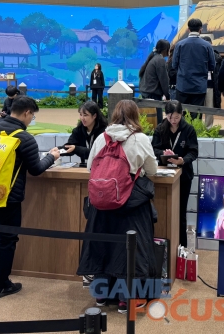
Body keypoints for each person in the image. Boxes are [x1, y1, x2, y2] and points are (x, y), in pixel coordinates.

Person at [0, 96, 60, 299]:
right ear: (27, 112)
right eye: (32, 115)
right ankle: (1, 285)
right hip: (8, 197)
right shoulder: (24, 138)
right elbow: (36, 169)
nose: (31, 119)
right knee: (7, 240)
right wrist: (52, 157)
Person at [77, 100, 157, 314]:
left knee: (102, 245)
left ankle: (101, 295)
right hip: (130, 203)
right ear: (135, 115)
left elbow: (90, 167)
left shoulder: (102, 137)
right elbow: (152, 169)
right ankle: (126, 300)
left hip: (100, 203)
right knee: (130, 250)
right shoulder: (139, 138)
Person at [151, 100, 198, 247]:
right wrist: (163, 153)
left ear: (181, 114)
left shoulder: (189, 130)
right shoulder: (160, 129)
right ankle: (164, 244)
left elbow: (193, 152)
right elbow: (153, 149)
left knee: (181, 212)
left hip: (183, 176)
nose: (173, 120)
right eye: (170, 117)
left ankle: (182, 246)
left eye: (176, 117)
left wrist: (182, 160)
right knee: (164, 210)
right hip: (164, 174)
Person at [172, 18, 215, 113]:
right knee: (196, 115)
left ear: (188, 29)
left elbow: (174, 65)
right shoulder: (207, 46)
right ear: (201, 30)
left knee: (181, 114)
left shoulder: (179, 44)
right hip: (199, 86)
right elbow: (212, 66)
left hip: (183, 85)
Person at [64, 101, 108, 166]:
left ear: (94, 116)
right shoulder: (78, 130)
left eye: (85, 115)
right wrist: (57, 151)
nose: (82, 118)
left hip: (101, 167)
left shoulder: (104, 132)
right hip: (84, 167)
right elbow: (70, 147)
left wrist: (76, 149)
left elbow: (96, 153)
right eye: (80, 114)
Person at [139, 39, 171, 122]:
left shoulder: (154, 57)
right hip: (153, 94)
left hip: (147, 92)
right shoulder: (160, 60)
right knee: (157, 120)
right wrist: (167, 96)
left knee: (148, 120)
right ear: (165, 50)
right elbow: (164, 80)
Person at [200, 36, 222, 129]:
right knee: (197, 108)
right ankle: (197, 128)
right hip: (199, 84)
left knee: (209, 108)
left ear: (211, 44)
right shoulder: (198, 55)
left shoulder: (216, 57)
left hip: (211, 85)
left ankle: (208, 128)